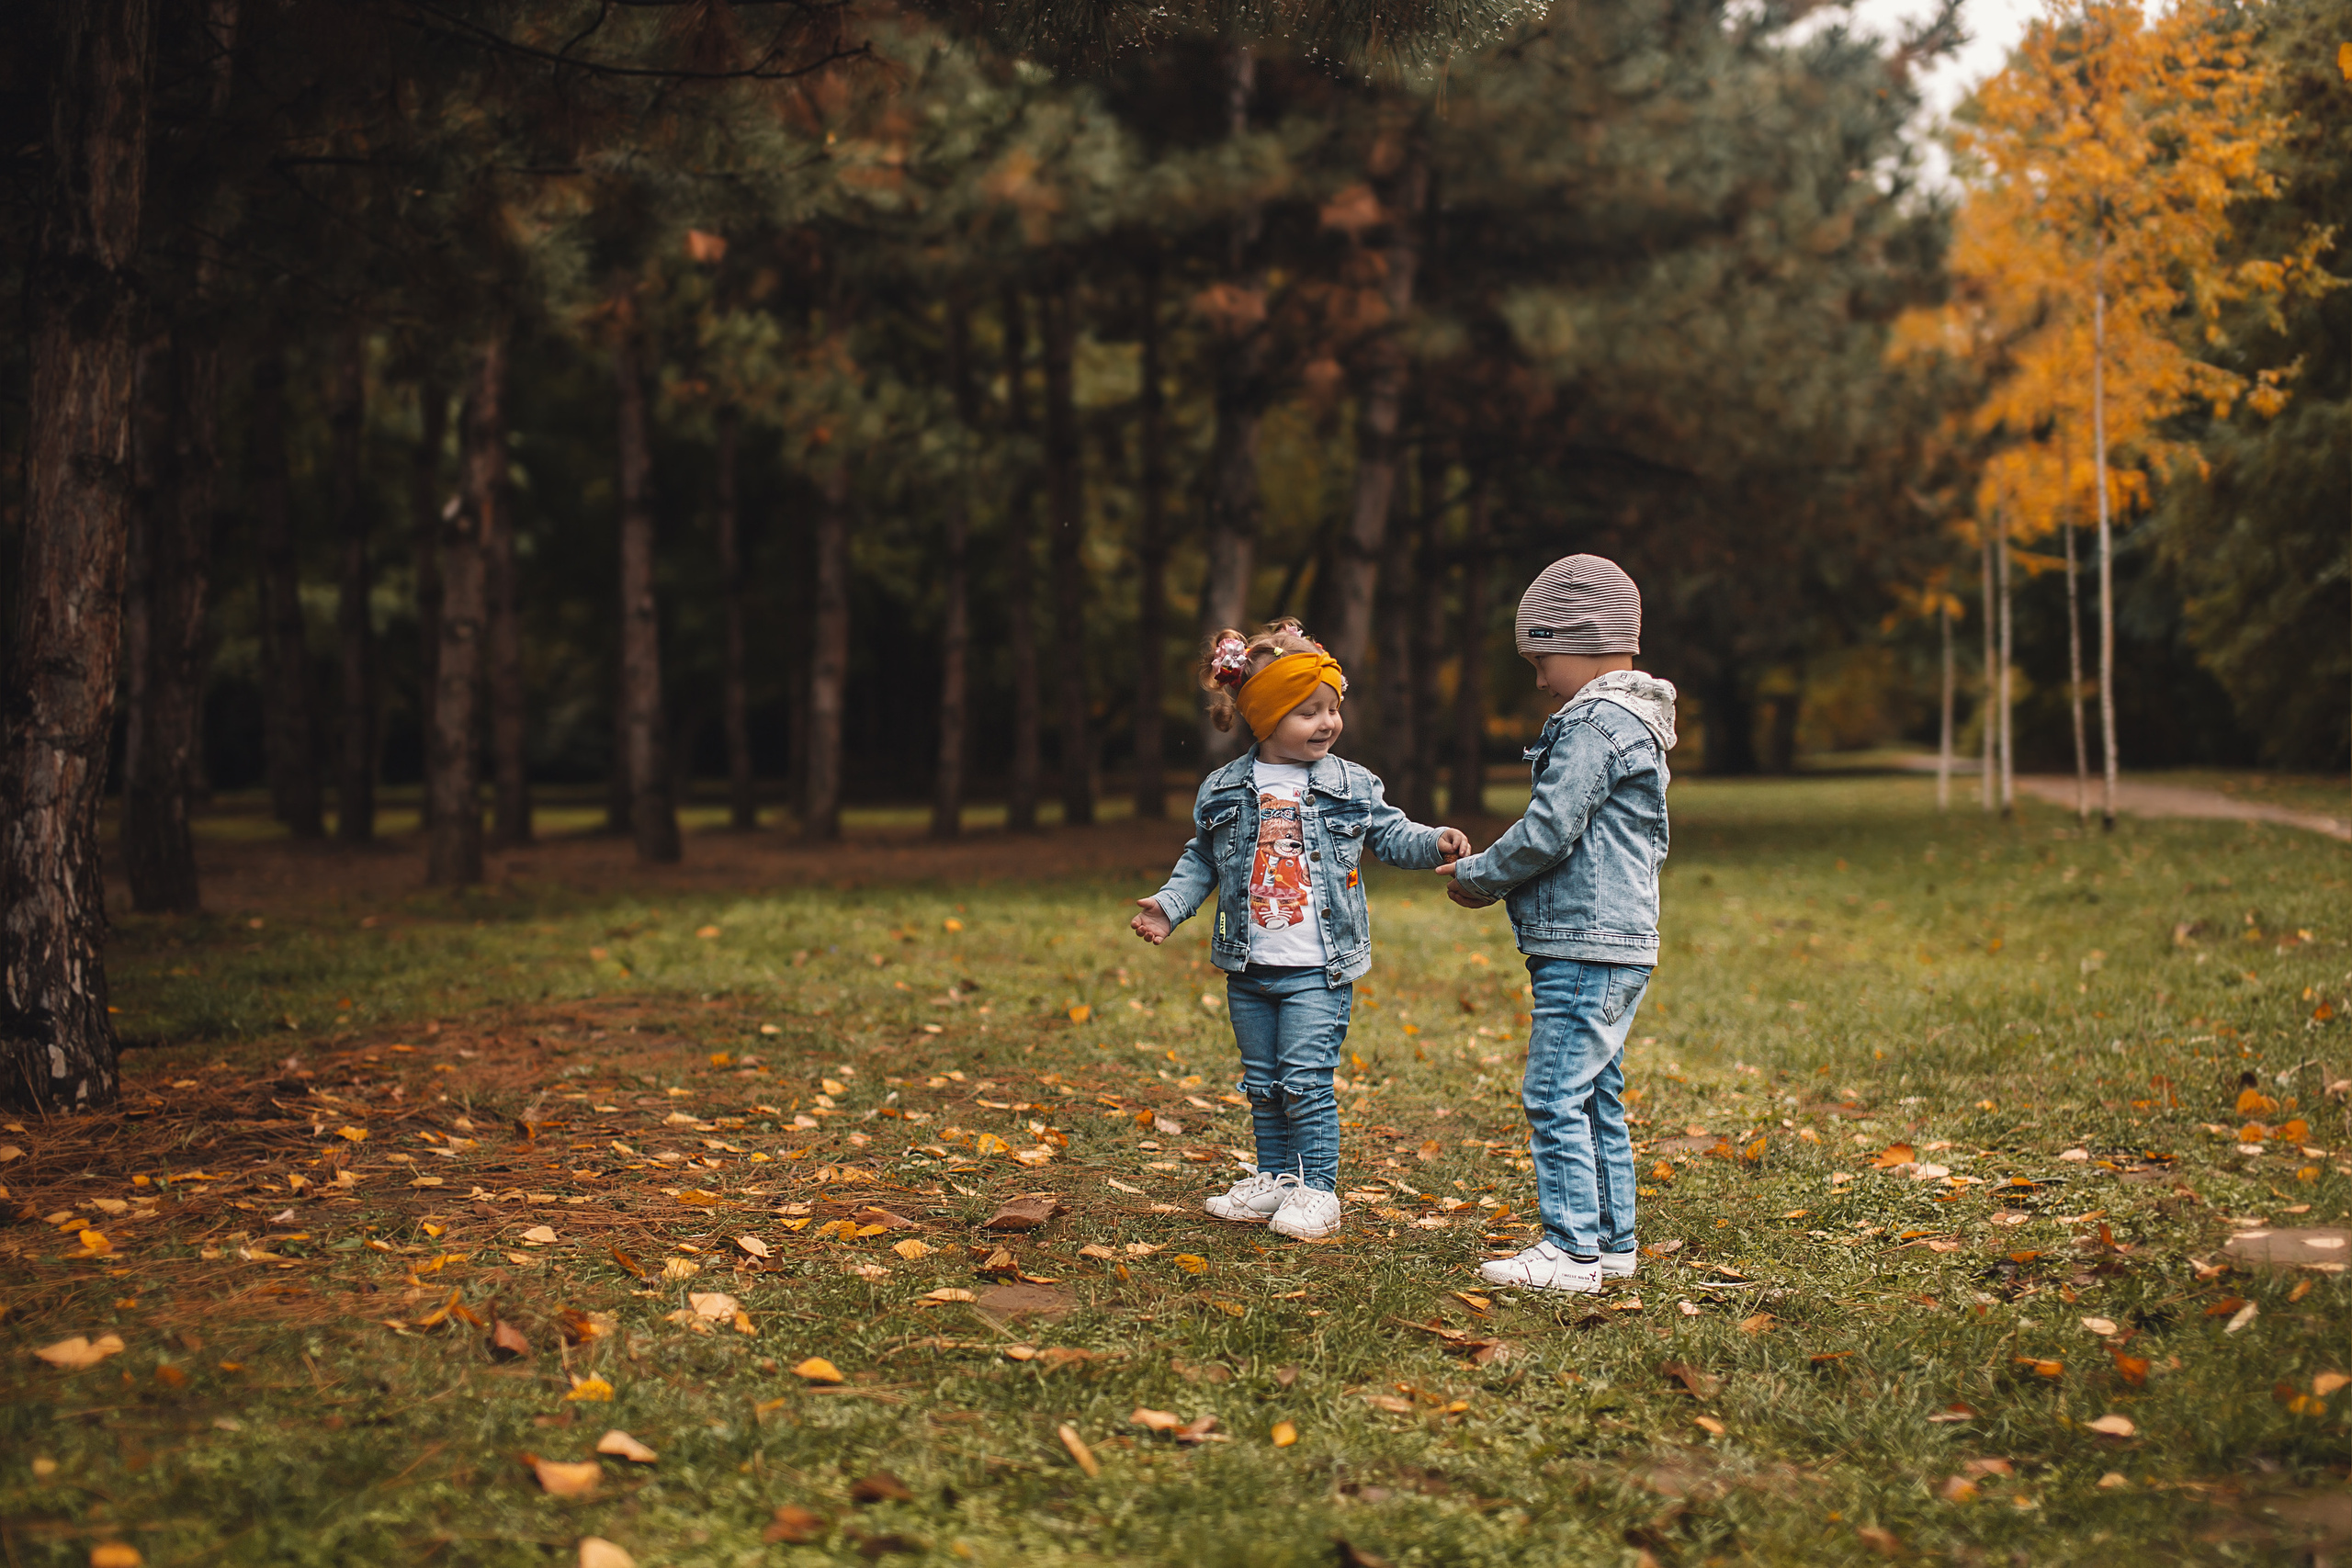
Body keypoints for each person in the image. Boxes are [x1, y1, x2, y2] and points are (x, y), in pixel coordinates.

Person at [1130, 620, 1471, 1240]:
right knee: (1263, 1083)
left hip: (1319, 967)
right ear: (1264, 716)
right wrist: (1170, 906)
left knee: (1305, 1079)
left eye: (1332, 709)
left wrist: (1434, 841)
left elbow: (1390, 833)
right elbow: (1201, 858)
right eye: (1308, 711)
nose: (1327, 722)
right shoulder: (1226, 788)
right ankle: (1276, 1179)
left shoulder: (1349, 783)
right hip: (1249, 965)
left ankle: (1317, 1191)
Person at [1436, 556, 1676, 1294]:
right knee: (1596, 1090)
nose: (1539, 680)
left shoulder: (1596, 725)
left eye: (1542, 660)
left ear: (1580, 637)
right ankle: (1612, 1243)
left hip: (1586, 942)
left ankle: (1570, 1251)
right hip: (1614, 941)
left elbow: (1548, 829)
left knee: (1552, 1092)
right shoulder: (1634, 721)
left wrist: (1479, 878)